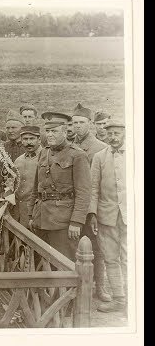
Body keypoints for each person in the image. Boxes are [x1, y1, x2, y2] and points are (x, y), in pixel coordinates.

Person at [27, 112, 91, 261]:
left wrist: (76, 222)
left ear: (65, 132)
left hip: (63, 221)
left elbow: (83, 192)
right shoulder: (44, 152)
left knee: (64, 264)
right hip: (40, 218)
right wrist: (31, 215)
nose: (49, 135)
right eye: (47, 131)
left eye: (54, 131)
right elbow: (36, 188)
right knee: (42, 264)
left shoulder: (77, 155)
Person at [72, 103, 111, 302]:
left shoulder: (101, 148)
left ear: (90, 124)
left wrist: (94, 211)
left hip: (91, 207)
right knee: (74, 246)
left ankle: (100, 287)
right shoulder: (69, 145)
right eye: (74, 122)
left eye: (81, 122)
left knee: (97, 248)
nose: (77, 126)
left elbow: (101, 183)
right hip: (73, 206)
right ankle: (77, 287)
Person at [88, 120, 127, 312]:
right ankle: (119, 299)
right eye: (110, 133)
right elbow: (93, 187)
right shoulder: (99, 157)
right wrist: (93, 213)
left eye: (117, 133)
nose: (113, 137)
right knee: (111, 258)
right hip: (107, 215)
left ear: (124, 133)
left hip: (131, 215)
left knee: (132, 258)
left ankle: (134, 299)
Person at [13, 125, 42, 227]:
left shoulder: (45, 158)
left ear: (39, 140)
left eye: (32, 139)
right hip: (18, 210)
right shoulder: (18, 160)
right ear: (21, 140)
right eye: (25, 139)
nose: (29, 142)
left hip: (36, 211)